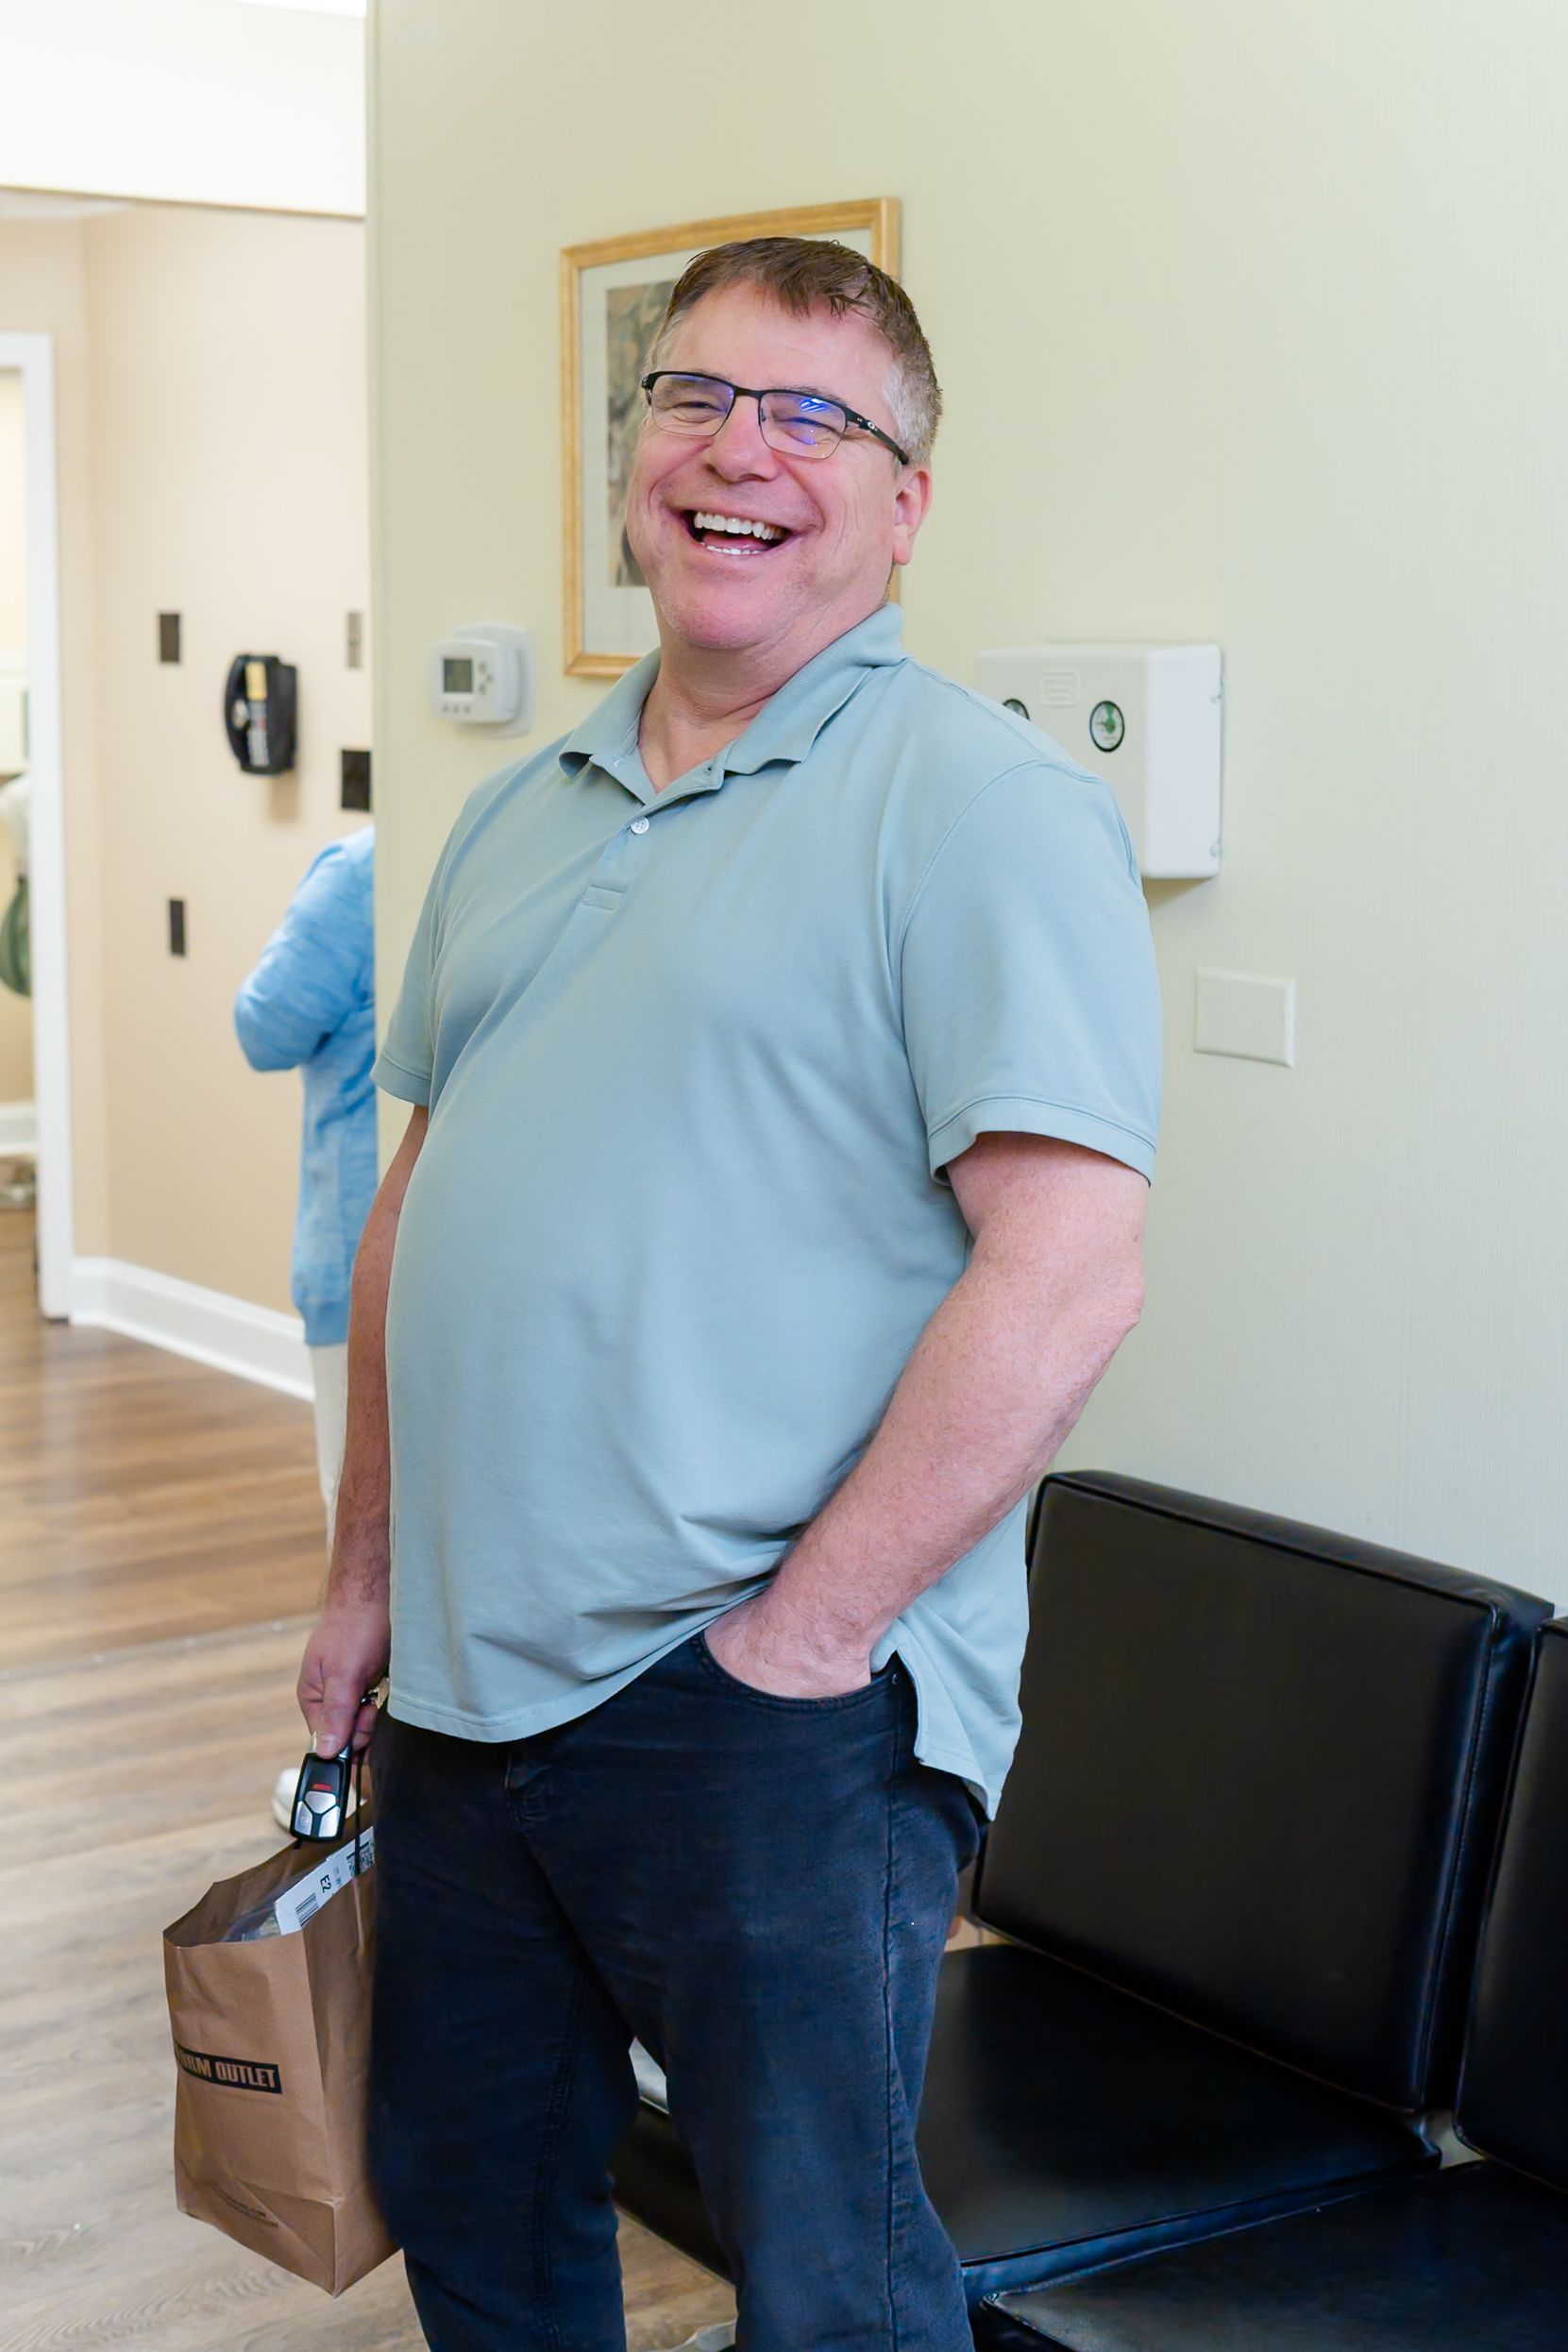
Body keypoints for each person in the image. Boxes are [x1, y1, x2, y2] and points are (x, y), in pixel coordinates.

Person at [297, 240, 1161, 2352]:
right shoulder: (516, 814)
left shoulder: (976, 808)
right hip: (466, 1692)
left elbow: (1069, 1268)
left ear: (902, 503)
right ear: (633, 454)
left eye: (811, 418)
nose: (737, 452)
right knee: (479, 2209)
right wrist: (365, 1577)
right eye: (694, 397)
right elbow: (422, 1213)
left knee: (827, 2282)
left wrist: (803, 1641)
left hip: (756, 1712)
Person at [234, 824, 376, 1827]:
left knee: (362, 1533)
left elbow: (265, 1024)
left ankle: (361, 1788)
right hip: (478, 1254)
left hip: (360, 1247)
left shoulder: (362, 872)